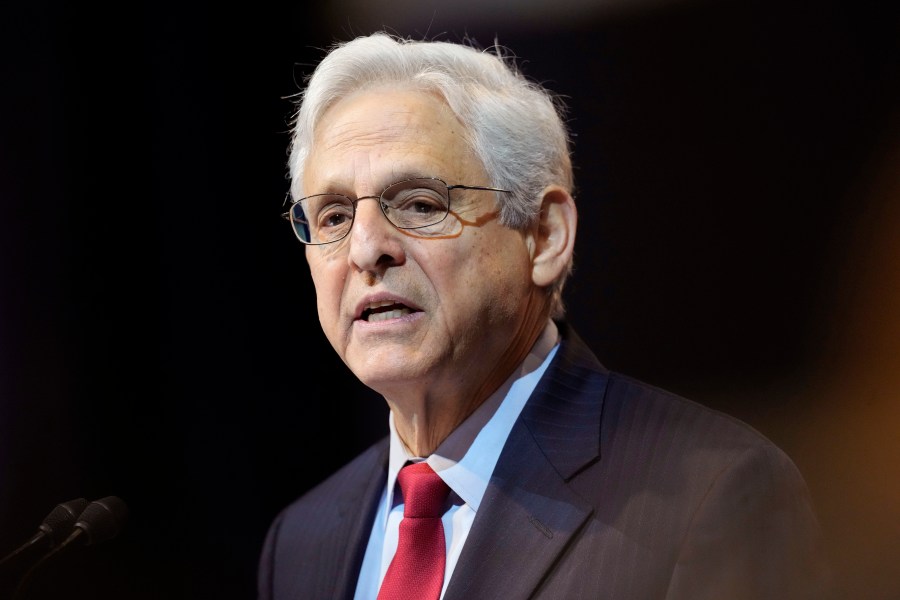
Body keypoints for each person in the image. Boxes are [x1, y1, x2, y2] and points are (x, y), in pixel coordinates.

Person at [258, 32, 832, 600]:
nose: (365, 250)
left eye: (419, 204)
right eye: (333, 217)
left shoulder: (711, 496)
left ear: (545, 235)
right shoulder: (302, 542)